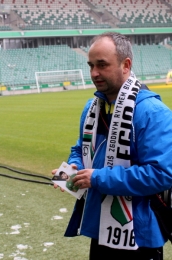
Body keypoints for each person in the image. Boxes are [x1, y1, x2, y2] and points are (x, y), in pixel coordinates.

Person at [52, 32, 172, 260]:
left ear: (126, 65)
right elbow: (80, 149)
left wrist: (97, 178)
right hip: (100, 229)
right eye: (91, 65)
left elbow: (162, 174)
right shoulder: (92, 108)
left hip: (140, 238)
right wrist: (74, 169)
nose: (94, 73)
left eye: (102, 65)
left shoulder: (153, 113)